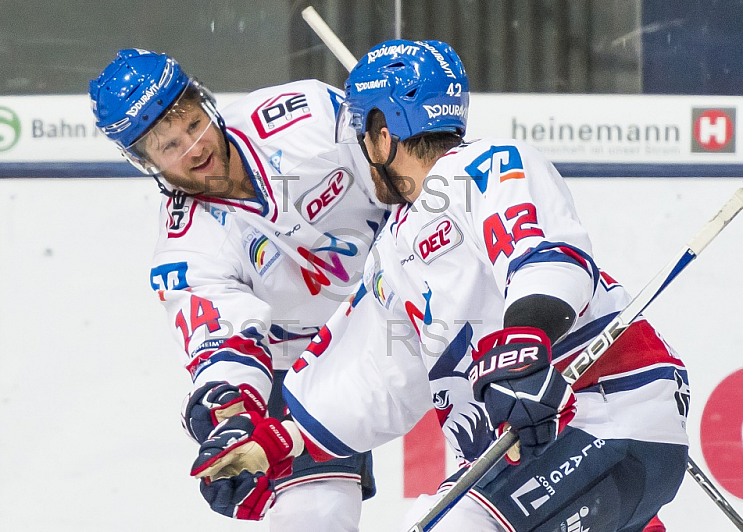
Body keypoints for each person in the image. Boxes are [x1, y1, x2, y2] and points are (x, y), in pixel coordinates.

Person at [191, 40, 689, 532]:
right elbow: (374, 381)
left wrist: (522, 340)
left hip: (605, 407)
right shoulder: (392, 254)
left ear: (382, 134)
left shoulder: (486, 167)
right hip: (518, 460)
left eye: (362, 133)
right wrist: (276, 444)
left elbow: (547, 260)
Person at [89, 49, 390, 531]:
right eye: (168, 146)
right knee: (311, 521)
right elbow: (224, 349)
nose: (193, 148)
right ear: (143, 163)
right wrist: (229, 419)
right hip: (307, 368)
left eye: (191, 124)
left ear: (206, 103)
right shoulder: (186, 249)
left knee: (518, 424)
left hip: (409, 302)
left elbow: (400, 166)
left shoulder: (304, 115)